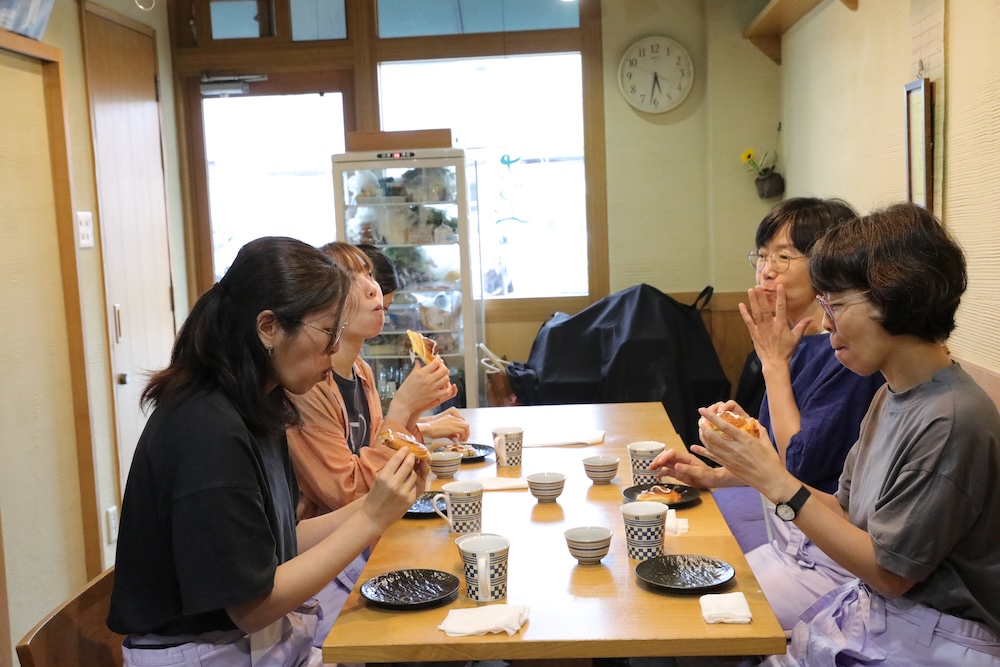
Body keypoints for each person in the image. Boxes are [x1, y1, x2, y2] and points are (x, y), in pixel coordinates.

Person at [698, 203, 1000, 666]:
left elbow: (889, 574)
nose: (827, 323)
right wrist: (759, 466)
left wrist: (778, 483)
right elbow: (846, 509)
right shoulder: (892, 394)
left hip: (936, 637)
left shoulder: (952, 419)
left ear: (896, 298)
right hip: (886, 618)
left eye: (836, 304)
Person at [106, 237, 421, 666]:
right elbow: (252, 607)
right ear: (268, 327)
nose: (335, 350)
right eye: (329, 333)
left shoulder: (260, 403)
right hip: (205, 654)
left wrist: (378, 501)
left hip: (255, 644)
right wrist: (371, 518)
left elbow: (282, 541)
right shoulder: (204, 427)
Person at [652, 198, 885, 631]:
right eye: (762, 256)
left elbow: (799, 466)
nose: (766, 270)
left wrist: (774, 365)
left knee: (678, 614)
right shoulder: (792, 342)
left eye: (783, 256)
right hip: (790, 539)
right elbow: (778, 456)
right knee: (666, 571)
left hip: (824, 556)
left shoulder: (846, 355)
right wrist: (716, 473)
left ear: (829, 263)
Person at [286, 242, 466, 645]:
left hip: (364, 543)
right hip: (325, 566)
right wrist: (403, 409)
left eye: (370, 274)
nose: (373, 288)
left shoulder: (361, 371)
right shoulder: (306, 387)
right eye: (354, 277)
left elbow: (372, 457)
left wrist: (416, 418)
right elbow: (348, 490)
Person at [356, 242, 470, 442]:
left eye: (385, 309)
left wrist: (420, 416)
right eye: (379, 308)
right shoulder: (320, 383)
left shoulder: (362, 370)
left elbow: (375, 435)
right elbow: (370, 453)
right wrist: (407, 407)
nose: (381, 321)